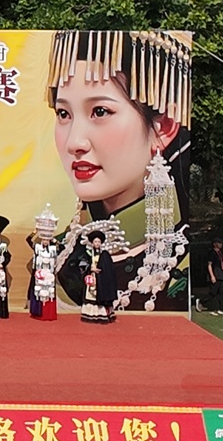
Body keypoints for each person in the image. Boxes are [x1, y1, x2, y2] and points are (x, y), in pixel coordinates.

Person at [47, 30, 192, 311]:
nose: (74, 142)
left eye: (100, 111)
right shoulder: (58, 253)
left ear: (163, 127)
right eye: (63, 114)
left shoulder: (179, 261)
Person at [77, 231, 118, 324]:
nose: (97, 243)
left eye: (99, 242)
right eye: (95, 242)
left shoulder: (104, 254)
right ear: (92, 243)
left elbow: (109, 267)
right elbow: (82, 265)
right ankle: (91, 314)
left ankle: (103, 314)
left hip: (101, 279)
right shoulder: (88, 253)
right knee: (91, 296)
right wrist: (90, 269)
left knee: (101, 294)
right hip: (92, 278)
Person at [28, 206, 59, 321]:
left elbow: (62, 246)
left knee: (49, 291)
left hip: (49, 274)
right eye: (44, 239)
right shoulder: (37, 247)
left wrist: (53, 238)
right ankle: (37, 312)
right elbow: (28, 240)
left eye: (47, 240)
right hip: (39, 273)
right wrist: (35, 231)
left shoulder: (53, 249)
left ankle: (48, 313)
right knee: (38, 290)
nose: (45, 241)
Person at [205, 239, 223, 315]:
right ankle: (202, 301)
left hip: (220, 274)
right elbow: (209, 265)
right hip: (215, 274)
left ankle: (221, 308)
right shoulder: (212, 253)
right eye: (219, 243)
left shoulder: (220, 253)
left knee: (222, 292)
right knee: (213, 292)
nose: (221, 244)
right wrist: (212, 276)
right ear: (214, 244)